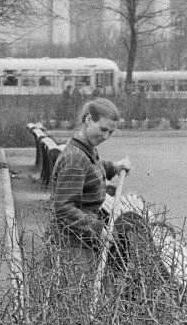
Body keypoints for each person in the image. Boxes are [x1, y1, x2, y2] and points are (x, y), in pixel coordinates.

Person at [49, 97, 131, 286]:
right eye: (103, 129)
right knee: (79, 302)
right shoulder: (75, 158)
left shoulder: (85, 150)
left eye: (111, 132)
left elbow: (89, 170)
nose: (106, 136)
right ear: (88, 119)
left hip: (81, 239)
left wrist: (113, 167)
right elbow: (63, 207)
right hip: (72, 245)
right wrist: (98, 229)